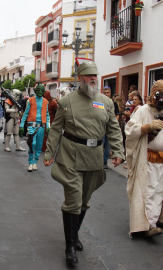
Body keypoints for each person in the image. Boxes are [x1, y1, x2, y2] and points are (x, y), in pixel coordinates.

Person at [43, 61, 123, 264]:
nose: (93, 79)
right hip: (70, 155)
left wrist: (118, 150)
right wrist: (49, 152)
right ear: (80, 78)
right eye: (88, 76)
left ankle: (74, 234)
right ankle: (70, 246)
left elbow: (113, 129)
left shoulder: (106, 102)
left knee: (85, 200)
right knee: (73, 199)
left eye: (95, 75)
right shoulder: (66, 101)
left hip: (94, 157)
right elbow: (55, 129)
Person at [125, 80, 163, 237]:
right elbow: (129, 130)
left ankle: (152, 221)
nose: (161, 98)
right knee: (147, 191)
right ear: (152, 95)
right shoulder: (142, 111)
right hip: (146, 160)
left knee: (159, 191)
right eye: (158, 94)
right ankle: (147, 225)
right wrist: (147, 127)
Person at [20, 84, 50, 172]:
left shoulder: (45, 101)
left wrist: (48, 126)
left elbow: (47, 115)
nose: (40, 91)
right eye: (38, 90)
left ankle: (35, 162)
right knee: (32, 143)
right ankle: (30, 162)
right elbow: (25, 113)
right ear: (35, 90)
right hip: (31, 125)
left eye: (42, 90)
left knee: (39, 145)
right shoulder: (30, 100)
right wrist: (21, 125)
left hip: (41, 126)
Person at [102, 86, 119, 169]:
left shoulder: (114, 103)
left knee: (107, 145)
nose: (106, 94)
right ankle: (98, 161)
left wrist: (113, 124)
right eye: (104, 92)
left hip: (109, 128)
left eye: (107, 92)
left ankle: (105, 162)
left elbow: (117, 114)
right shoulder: (100, 102)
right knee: (101, 144)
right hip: (101, 127)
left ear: (110, 93)